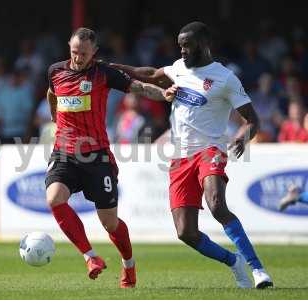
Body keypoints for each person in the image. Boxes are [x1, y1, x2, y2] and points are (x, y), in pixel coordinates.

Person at [110, 21, 273, 289]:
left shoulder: (225, 78)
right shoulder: (178, 69)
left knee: (217, 203)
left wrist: (242, 138)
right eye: (180, 46)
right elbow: (150, 73)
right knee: (186, 232)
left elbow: (252, 120)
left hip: (210, 150)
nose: (183, 50)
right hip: (180, 156)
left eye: (188, 45)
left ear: (204, 44)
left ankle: (258, 269)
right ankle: (234, 262)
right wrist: (117, 68)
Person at [45, 27, 172, 288]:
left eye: (83, 53)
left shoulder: (103, 73)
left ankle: (129, 265)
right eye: (74, 52)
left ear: (94, 52)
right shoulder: (55, 71)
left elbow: (138, 87)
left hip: (97, 156)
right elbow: (51, 94)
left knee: (110, 223)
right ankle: (90, 257)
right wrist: (54, 117)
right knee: (54, 198)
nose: (78, 57)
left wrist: (164, 94)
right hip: (64, 153)